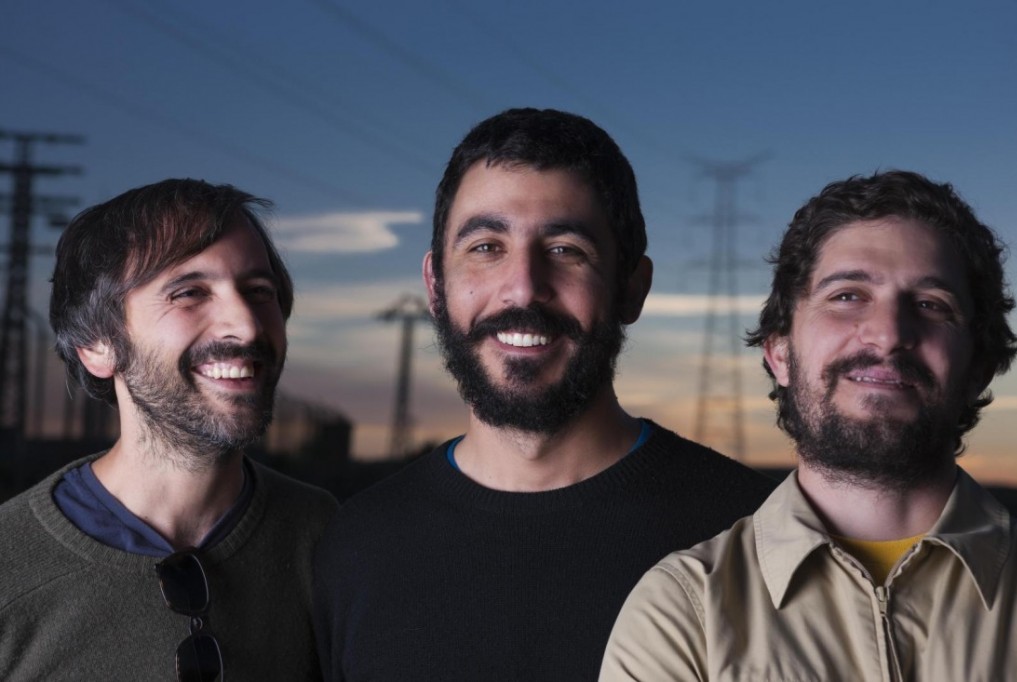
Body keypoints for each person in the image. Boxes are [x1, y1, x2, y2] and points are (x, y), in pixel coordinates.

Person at [312, 107, 776, 681]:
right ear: (435, 285)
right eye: (485, 246)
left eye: (565, 250)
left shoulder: (751, 538)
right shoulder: (355, 549)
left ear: (632, 287)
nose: (524, 287)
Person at [601, 170, 1017, 681]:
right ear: (779, 353)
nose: (889, 334)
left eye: (931, 305)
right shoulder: (684, 614)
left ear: (979, 367)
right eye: (847, 295)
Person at [0, 179, 338, 681]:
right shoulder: (10, 563)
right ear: (97, 346)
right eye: (189, 293)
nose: (245, 326)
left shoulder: (328, 536)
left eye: (259, 291)